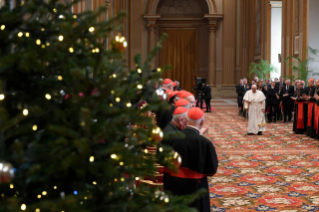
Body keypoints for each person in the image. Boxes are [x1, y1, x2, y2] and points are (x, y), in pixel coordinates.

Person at [164, 107, 218, 212]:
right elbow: (211, 170)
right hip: (195, 187)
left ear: (186, 120)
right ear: (202, 122)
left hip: (173, 184)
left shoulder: (172, 137)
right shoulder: (204, 143)